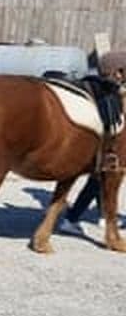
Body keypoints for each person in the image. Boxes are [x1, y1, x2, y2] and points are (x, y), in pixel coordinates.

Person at [57, 61, 126, 235]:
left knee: (98, 180)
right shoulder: (112, 92)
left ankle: (82, 216)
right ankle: (76, 217)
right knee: (99, 179)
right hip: (109, 144)